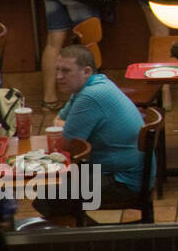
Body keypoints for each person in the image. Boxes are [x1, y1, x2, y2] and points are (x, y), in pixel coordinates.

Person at [31, 45, 147, 222]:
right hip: (118, 171)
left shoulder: (90, 96)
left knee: (48, 195)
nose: (59, 77)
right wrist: (65, 127)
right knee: (53, 186)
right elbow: (59, 121)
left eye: (66, 71)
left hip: (123, 182)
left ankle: (90, 238)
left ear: (86, 71)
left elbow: (65, 146)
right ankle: (83, 232)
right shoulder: (93, 84)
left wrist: (65, 128)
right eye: (58, 70)